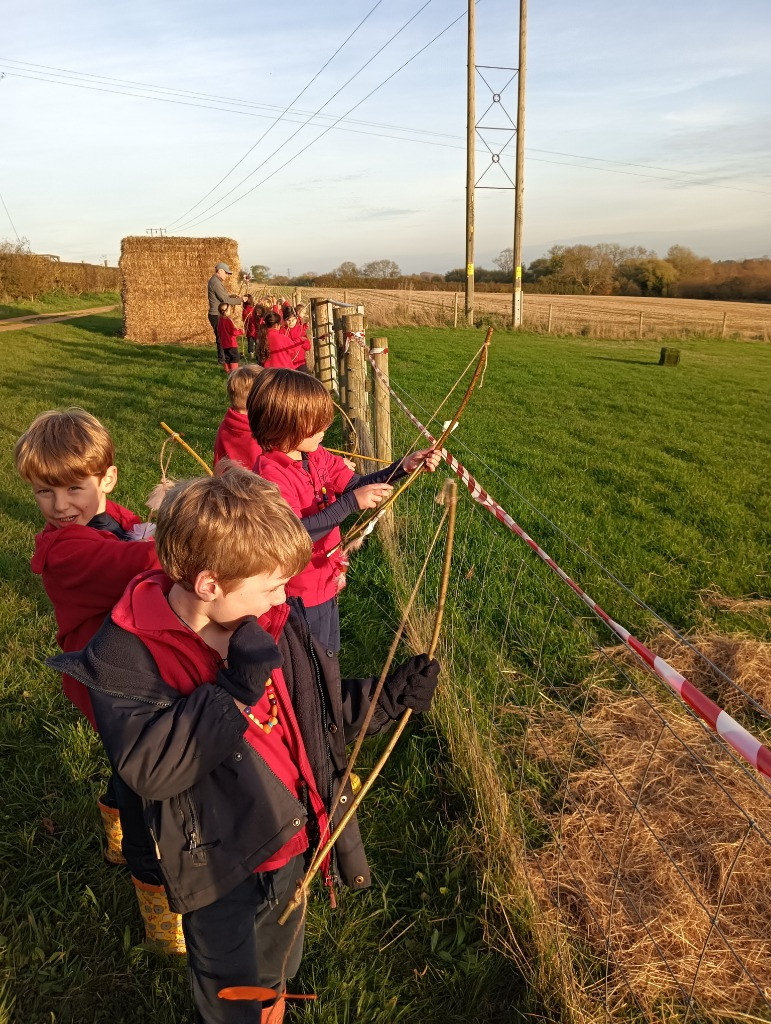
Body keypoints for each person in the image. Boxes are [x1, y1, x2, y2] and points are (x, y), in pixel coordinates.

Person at [49, 467, 440, 1024]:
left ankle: (273, 1002)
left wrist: (387, 697)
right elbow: (151, 767)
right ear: (210, 585)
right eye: (271, 583)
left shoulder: (270, 620)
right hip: (218, 862)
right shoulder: (128, 654)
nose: (283, 595)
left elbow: (314, 714)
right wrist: (231, 693)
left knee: (280, 950)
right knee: (230, 979)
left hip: (291, 837)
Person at [14, 408, 185, 953]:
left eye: (73, 488)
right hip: (111, 685)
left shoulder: (111, 517)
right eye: (45, 493)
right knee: (144, 790)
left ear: (107, 480)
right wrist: (198, 524)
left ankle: (111, 821)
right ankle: (157, 906)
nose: (60, 507)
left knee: (125, 763)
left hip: (127, 670)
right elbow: (150, 558)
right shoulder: (68, 549)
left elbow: (139, 534)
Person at [248, 369, 441, 655]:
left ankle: (332, 693)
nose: (324, 432)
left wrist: (403, 467)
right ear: (284, 425)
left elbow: (356, 485)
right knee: (309, 659)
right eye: (315, 427)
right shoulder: (270, 476)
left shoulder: (315, 454)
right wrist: (350, 504)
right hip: (296, 590)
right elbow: (294, 532)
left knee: (329, 653)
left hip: (325, 578)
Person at [214, 365, 263, 469]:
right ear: (257, 399)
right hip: (254, 484)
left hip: (226, 483)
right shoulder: (258, 433)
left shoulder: (227, 424)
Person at [207, 263, 243, 365]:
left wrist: (233, 296)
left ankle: (224, 359)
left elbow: (224, 296)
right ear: (220, 271)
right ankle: (223, 360)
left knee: (221, 337)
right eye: (226, 273)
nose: (227, 275)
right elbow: (224, 299)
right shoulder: (216, 283)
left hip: (217, 313)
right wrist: (240, 300)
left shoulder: (216, 281)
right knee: (221, 338)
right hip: (216, 314)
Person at [216, 302, 243, 373]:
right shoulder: (227, 320)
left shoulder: (220, 320)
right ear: (226, 311)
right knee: (235, 357)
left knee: (227, 357)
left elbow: (219, 330)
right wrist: (240, 331)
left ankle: (228, 371)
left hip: (224, 343)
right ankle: (234, 372)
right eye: (229, 310)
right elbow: (233, 332)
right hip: (231, 343)